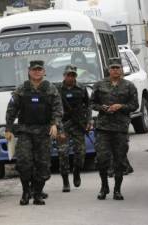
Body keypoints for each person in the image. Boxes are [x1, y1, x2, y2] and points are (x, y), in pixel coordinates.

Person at [5, 60, 63, 205]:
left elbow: (58, 109)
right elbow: (11, 110)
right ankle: (26, 192)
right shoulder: (21, 89)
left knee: (43, 165)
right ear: (29, 71)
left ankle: (37, 193)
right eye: (34, 70)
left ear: (44, 71)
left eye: (39, 70)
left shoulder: (51, 89)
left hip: (44, 133)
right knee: (24, 163)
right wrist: (8, 128)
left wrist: (55, 124)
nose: (37, 72)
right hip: (25, 132)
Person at [90, 57, 138, 200]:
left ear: (121, 70)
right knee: (102, 159)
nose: (115, 70)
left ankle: (117, 190)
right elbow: (92, 103)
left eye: (118, 68)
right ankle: (104, 186)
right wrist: (102, 108)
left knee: (119, 160)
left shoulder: (129, 86)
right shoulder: (99, 85)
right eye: (113, 68)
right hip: (103, 128)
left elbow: (135, 105)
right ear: (108, 70)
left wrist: (121, 106)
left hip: (120, 129)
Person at [56, 64, 92, 192]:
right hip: (63, 125)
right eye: (68, 75)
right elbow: (53, 107)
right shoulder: (57, 89)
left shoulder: (81, 88)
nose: (70, 77)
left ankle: (76, 171)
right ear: (64, 75)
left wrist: (89, 121)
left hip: (78, 125)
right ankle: (65, 181)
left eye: (72, 75)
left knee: (81, 153)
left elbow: (88, 106)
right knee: (63, 153)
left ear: (75, 76)